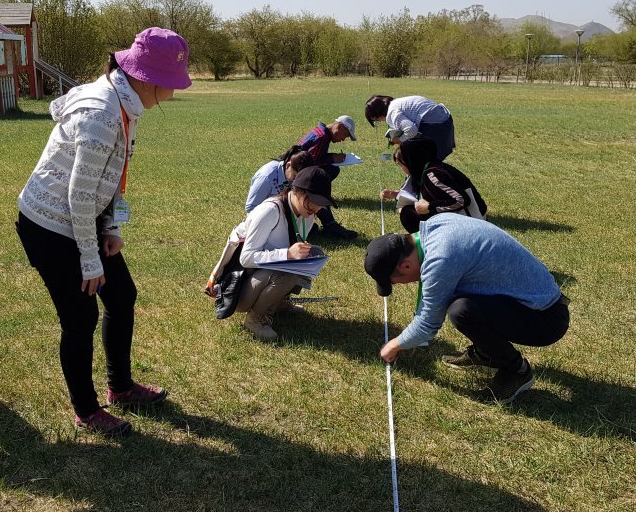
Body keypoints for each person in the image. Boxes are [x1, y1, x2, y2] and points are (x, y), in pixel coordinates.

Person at [16, 27, 191, 437]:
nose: (174, 91)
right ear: (148, 79)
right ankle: (86, 410)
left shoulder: (124, 101)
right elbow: (78, 195)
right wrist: (90, 259)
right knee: (80, 317)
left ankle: (121, 388)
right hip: (49, 224)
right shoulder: (102, 113)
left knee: (122, 294)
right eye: (171, 82)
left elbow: (108, 178)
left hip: (83, 217)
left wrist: (109, 226)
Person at [364, 215, 570, 403]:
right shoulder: (436, 226)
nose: (403, 284)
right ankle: (487, 354)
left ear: (406, 266)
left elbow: (428, 325)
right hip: (540, 302)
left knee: (461, 310)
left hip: (546, 320)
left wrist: (394, 345)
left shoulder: (440, 259)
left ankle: (517, 371)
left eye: (397, 281)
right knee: (457, 298)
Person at [237, 166, 335, 342]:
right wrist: (287, 254)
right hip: (240, 287)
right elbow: (245, 258)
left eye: (321, 201)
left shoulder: (307, 214)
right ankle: (255, 319)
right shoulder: (270, 211)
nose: (316, 206)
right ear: (296, 191)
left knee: (313, 254)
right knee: (288, 274)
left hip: (262, 277)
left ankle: (279, 303)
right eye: (312, 199)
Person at [381, 137, 487, 233]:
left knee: (408, 214)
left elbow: (462, 200)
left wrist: (429, 207)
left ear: (413, 160)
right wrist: (395, 194)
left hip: (473, 220)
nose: (402, 169)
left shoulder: (433, 174)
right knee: (408, 211)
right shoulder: (428, 168)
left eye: (401, 164)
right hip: (461, 217)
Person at [296, 115, 358, 239]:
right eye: (345, 135)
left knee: (332, 169)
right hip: (298, 173)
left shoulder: (320, 132)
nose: (343, 140)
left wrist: (331, 157)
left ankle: (329, 223)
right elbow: (309, 162)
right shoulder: (323, 136)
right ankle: (330, 225)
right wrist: (332, 158)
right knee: (321, 180)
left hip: (297, 170)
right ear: (339, 127)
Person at [365, 94, 455, 161]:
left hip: (435, 125)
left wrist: (400, 140)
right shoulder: (396, 103)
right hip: (445, 119)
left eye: (376, 120)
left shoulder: (392, 113)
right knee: (428, 159)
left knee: (424, 161)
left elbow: (411, 130)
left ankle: (424, 183)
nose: (380, 121)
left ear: (378, 114)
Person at [244, 145, 314, 213]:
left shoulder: (289, 175)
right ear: (288, 165)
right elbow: (251, 208)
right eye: (295, 176)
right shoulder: (266, 177)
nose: (297, 182)